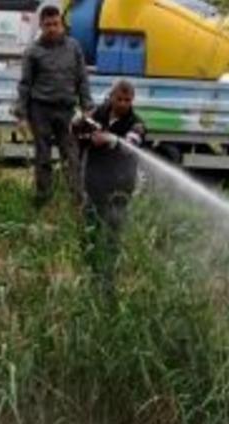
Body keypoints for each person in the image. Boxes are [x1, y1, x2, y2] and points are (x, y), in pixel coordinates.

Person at [15, 4, 94, 208]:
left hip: (67, 110)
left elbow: (82, 78)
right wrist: (21, 115)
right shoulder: (33, 51)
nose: (52, 28)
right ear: (41, 25)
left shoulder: (74, 47)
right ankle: (43, 199)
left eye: (56, 24)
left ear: (62, 24)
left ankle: (76, 201)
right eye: (48, 24)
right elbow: (25, 84)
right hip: (40, 110)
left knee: (72, 156)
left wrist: (87, 106)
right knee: (43, 158)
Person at [74, 79, 146, 297]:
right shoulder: (97, 114)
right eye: (120, 99)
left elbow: (132, 144)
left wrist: (111, 139)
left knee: (113, 236)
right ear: (111, 97)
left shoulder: (137, 123)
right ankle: (89, 277)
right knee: (89, 234)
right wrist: (84, 131)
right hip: (94, 185)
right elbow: (77, 136)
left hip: (119, 189)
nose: (124, 104)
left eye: (128, 100)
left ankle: (109, 283)